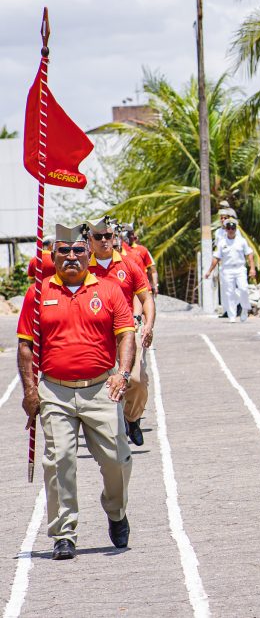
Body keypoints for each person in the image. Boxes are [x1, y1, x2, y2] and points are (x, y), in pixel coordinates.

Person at [16, 222, 137, 560]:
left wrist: (123, 374)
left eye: (78, 250)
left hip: (102, 388)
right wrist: (30, 391)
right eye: (64, 251)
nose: (71, 256)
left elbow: (126, 334)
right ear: (52, 255)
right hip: (55, 391)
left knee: (117, 460)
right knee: (60, 461)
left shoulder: (110, 289)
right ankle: (64, 533)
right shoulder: (38, 294)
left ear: (89, 254)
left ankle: (115, 511)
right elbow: (26, 346)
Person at [86, 217, 155, 448]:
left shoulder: (129, 265)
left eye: (108, 236)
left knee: (136, 380)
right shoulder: (83, 268)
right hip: (95, 334)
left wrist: (148, 325)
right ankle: (108, 427)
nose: (104, 240)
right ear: (90, 240)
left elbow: (146, 298)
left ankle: (132, 418)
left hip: (126, 330)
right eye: (99, 237)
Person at [204, 219, 256, 323]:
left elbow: (249, 254)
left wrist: (252, 268)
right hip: (227, 269)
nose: (231, 230)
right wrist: (209, 271)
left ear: (235, 229)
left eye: (233, 228)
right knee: (229, 292)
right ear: (226, 230)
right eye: (229, 228)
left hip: (240, 268)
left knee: (244, 289)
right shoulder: (222, 242)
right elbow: (216, 258)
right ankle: (232, 315)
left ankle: (245, 308)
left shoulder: (242, 241)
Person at [120, 223, 158, 296]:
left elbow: (152, 270)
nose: (133, 236)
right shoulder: (118, 251)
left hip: (143, 288)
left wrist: (154, 285)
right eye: (130, 234)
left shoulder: (142, 249)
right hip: (127, 291)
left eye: (132, 234)